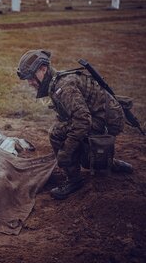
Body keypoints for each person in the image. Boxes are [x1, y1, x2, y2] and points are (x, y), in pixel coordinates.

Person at [16, 49, 133, 200]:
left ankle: (74, 180)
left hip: (106, 122)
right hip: (103, 117)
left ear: (43, 69)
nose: (30, 82)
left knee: (56, 133)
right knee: (76, 144)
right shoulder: (56, 82)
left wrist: (66, 151)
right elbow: (70, 116)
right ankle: (106, 162)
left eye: (31, 77)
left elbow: (83, 121)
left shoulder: (63, 87)